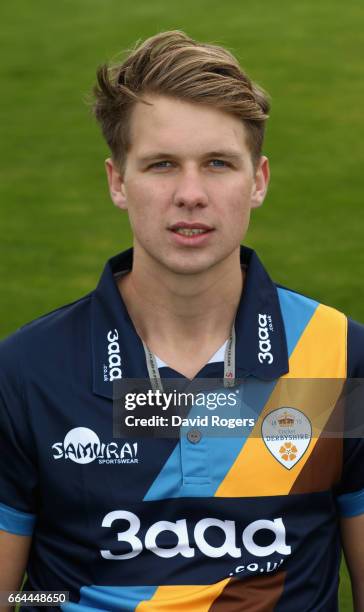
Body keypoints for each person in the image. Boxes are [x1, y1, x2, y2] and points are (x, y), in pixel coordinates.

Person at [0, 30, 363, 612]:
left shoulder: (341, 355)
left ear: (259, 181)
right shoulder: (25, 371)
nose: (190, 194)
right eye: (162, 165)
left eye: (218, 164)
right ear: (119, 182)